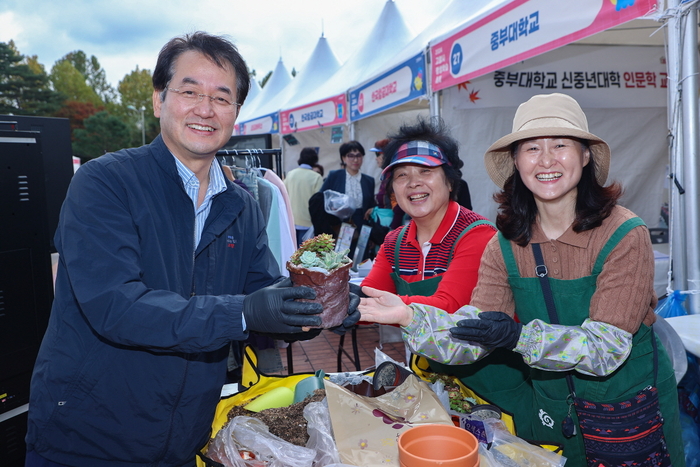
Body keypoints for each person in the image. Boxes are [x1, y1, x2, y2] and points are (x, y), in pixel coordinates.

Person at [25, 32, 359, 467]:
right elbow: (116, 306)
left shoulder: (241, 204)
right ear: (159, 100)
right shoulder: (105, 183)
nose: (205, 109)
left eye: (222, 97)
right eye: (189, 91)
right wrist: (243, 312)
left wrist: (318, 305)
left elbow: (264, 299)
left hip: (185, 437)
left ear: (236, 112)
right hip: (89, 436)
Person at [359, 93, 685, 466]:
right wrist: (408, 316)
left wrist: (517, 336)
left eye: (560, 145)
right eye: (531, 149)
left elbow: (605, 350)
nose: (546, 160)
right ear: (516, 161)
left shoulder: (624, 233)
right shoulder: (505, 244)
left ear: (585, 156)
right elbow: (470, 340)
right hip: (552, 404)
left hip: (625, 404)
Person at [360, 118, 496, 316]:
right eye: (401, 175)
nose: (413, 182)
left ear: (450, 182)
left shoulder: (478, 234)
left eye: (425, 171)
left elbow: (450, 305)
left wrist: (381, 305)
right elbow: (367, 296)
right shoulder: (394, 242)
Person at [318, 141, 376, 258]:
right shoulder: (335, 176)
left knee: (361, 258)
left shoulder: (369, 180)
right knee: (341, 257)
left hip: (362, 223)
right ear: (343, 158)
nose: (355, 160)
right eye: (350, 156)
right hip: (340, 223)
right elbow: (321, 197)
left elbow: (370, 203)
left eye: (358, 156)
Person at [284, 147, 323, 246]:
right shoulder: (316, 177)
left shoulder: (290, 174)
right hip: (308, 223)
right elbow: (318, 203)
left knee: (292, 256)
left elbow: (284, 196)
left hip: (291, 221)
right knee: (306, 257)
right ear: (315, 160)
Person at [370, 138, 406, 230]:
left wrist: (394, 230)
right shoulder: (386, 176)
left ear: (387, 156)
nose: (376, 158)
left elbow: (399, 207)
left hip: (392, 226)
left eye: (378, 154)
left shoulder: (394, 177)